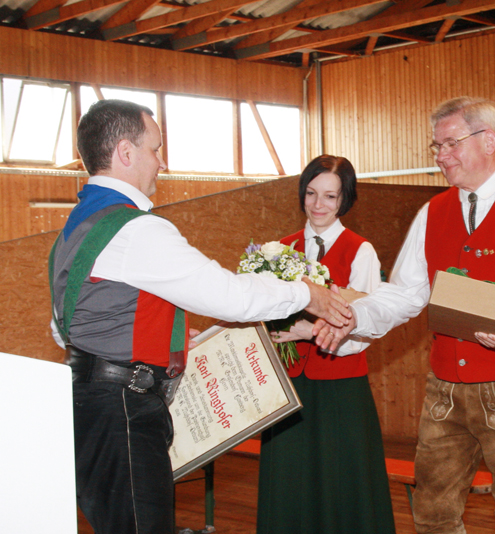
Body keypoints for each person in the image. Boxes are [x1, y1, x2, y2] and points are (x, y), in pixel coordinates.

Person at [48, 100, 351, 534]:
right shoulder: (136, 229)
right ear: (125, 153)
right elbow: (230, 297)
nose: (162, 162)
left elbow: (65, 328)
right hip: (123, 411)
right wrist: (309, 294)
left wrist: (160, 336)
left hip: (90, 404)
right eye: (155, 149)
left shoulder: (76, 227)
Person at [315, 96, 495, 534]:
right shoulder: (432, 211)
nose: (441, 155)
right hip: (445, 387)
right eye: (436, 146)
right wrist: (353, 316)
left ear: (489, 141)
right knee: (432, 513)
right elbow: (404, 293)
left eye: (450, 143)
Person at [256, 155, 395, 534]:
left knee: (342, 483)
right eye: (312, 194)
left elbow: (369, 328)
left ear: (344, 200)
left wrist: (308, 332)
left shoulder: (360, 250)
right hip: (290, 387)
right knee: (290, 480)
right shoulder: (278, 250)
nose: (318, 205)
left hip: (340, 387)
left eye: (330, 197)